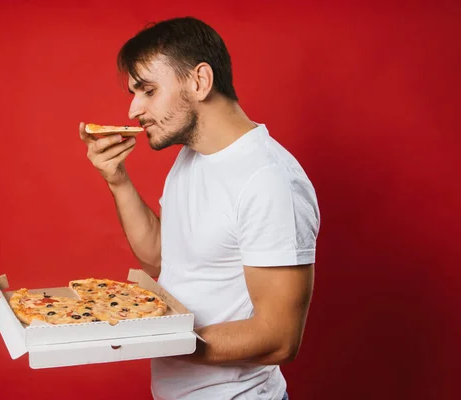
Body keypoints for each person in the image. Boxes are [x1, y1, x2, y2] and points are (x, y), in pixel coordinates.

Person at [79, 16, 320, 400]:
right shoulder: (192, 158)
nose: (133, 111)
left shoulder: (269, 180)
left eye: (148, 90)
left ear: (199, 81)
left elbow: (279, 338)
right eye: (133, 93)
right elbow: (162, 258)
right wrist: (117, 179)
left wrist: (152, 337)